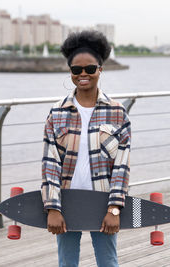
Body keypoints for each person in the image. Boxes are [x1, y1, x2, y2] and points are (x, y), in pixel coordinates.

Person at [41, 30, 131, 267]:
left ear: (100, 69)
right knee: (67, 263)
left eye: (90, 69)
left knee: (108, 262)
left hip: (103, 201)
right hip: (66, 201)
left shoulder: (117, 112)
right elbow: (50, 163)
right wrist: (52, 207)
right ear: (70, 71)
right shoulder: (57, 113)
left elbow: (122, 166)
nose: (83, 74)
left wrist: (114, 209)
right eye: (76, 69)